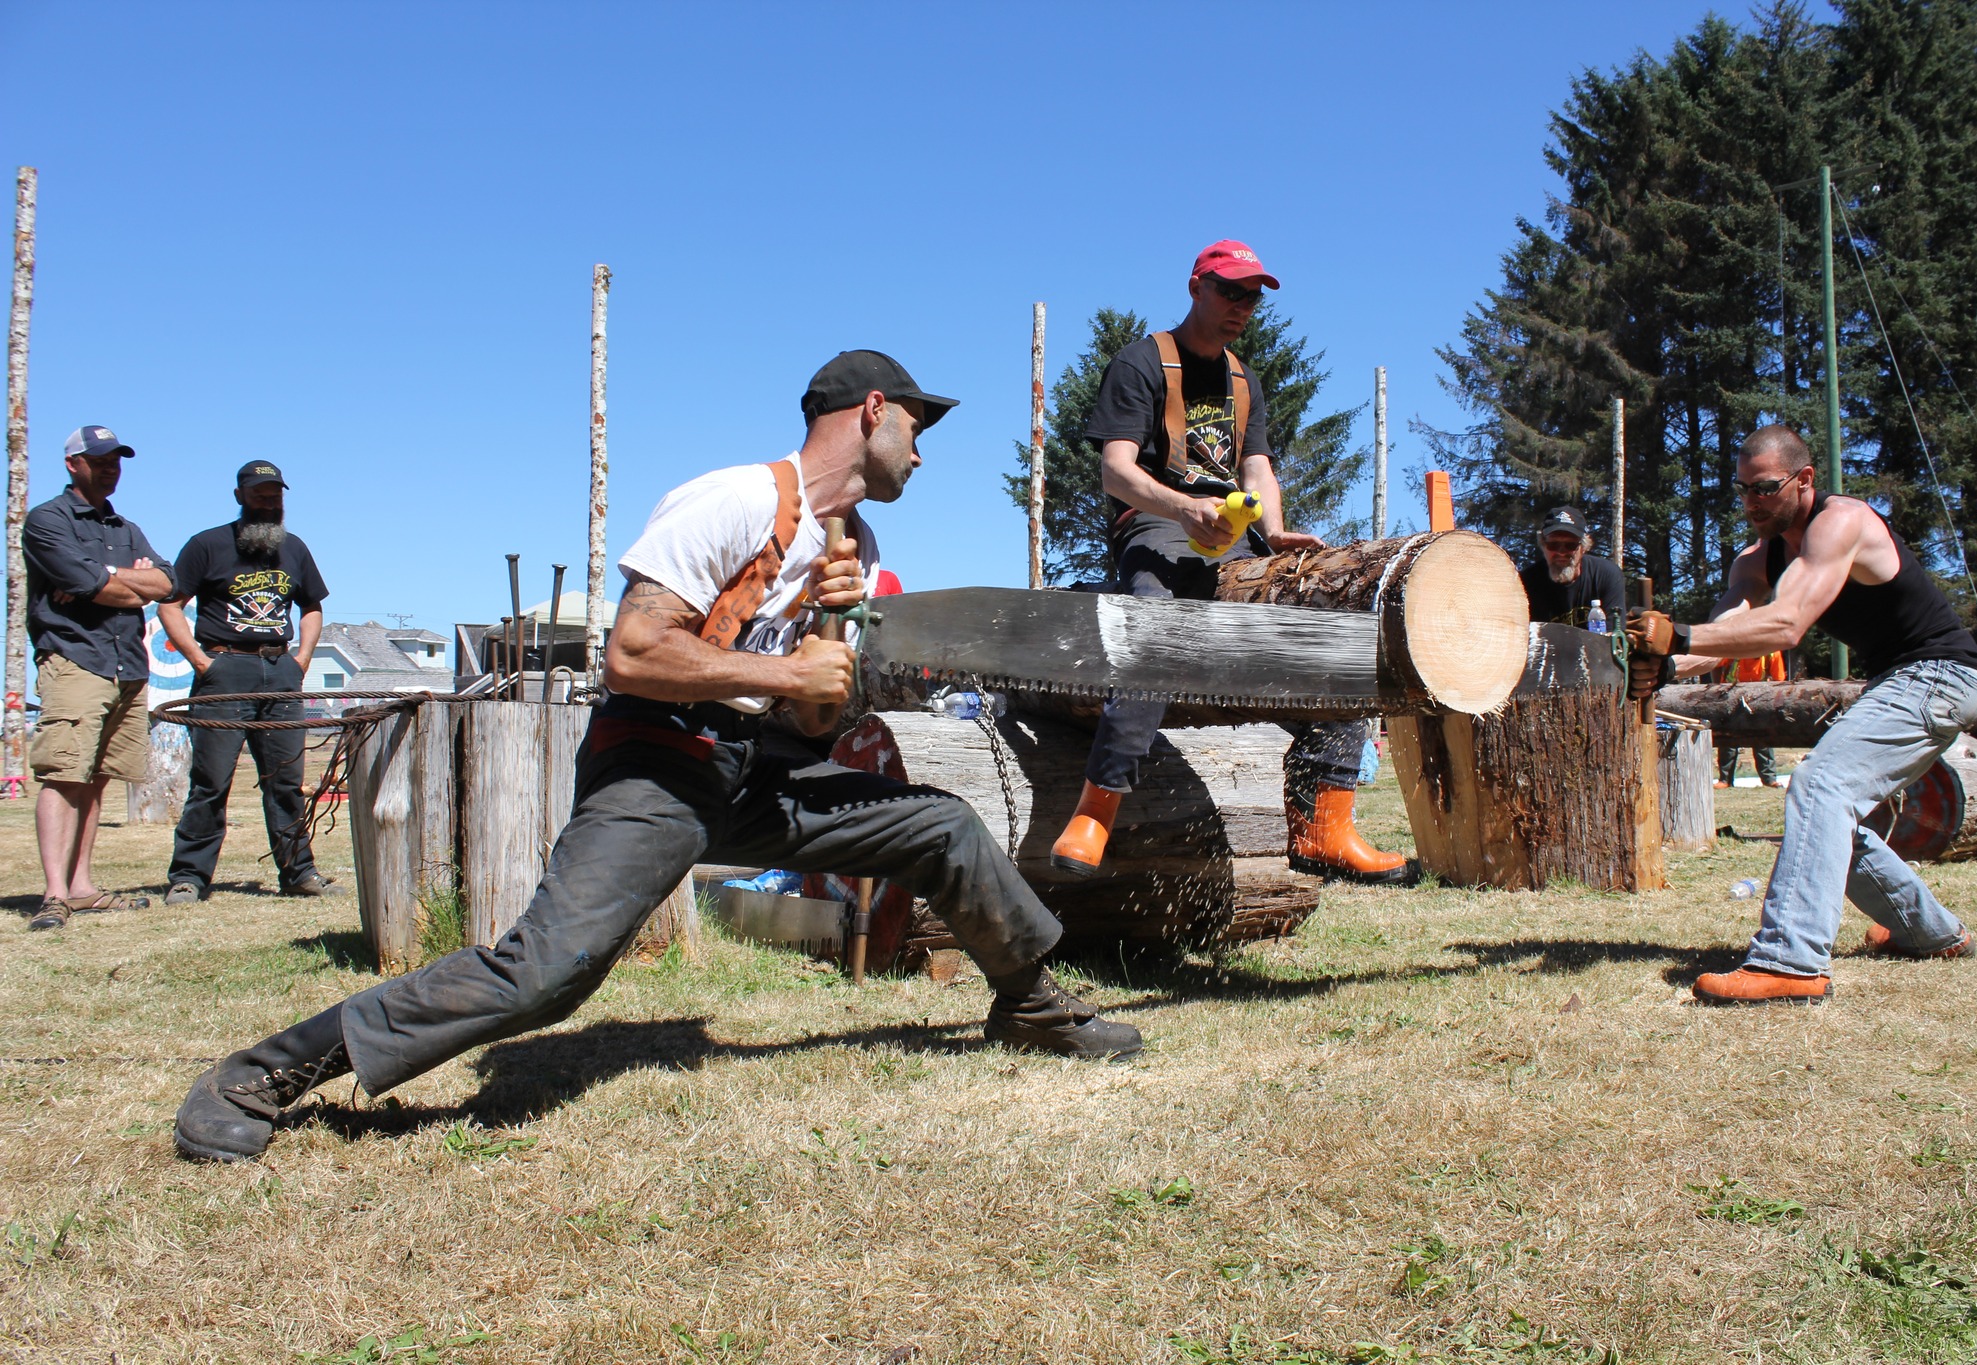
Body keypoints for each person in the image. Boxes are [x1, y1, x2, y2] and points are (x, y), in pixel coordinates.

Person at [173, 350, 1142, 1163]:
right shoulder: (731, 501)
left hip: (753, 764)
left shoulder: (853, 542)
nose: (921, 452)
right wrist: (789, 673)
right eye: (916, 429)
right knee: (546, 972)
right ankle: (260, 1076)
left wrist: (829, 639)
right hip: (655, 761)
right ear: (871, 410)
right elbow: (632, 654)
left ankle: (1031, 1004)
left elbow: (811, 721)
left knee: (940, 825)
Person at [1050, 240, 1410, 884]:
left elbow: (1256, 469)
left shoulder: (1243, 380)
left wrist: (1274, 532)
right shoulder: (1141, 362)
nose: (1242, 305)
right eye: (1230, 291)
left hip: (1235, 537)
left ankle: (1323, 829)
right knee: (1155, 633)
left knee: (1326, 638)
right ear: (1196, 286)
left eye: (1252, 297)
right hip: (1156, 527)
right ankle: (1095, 811)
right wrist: (1183, 507)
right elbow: (1115, 472)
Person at [1626, 425, 1977, 1006]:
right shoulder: (1756, 559)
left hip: (1941, 676)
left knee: (1820, 785)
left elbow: (1788, 622)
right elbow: (1724, 632)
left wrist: (1678, 636)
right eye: (1742, 490)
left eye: (1765, 488)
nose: (1751, 502)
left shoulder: (1843, 521)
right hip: (1898, 681)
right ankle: (1932, 932)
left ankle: (1791, 964)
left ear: (1805, 479)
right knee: (1830, 819)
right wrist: (1662, 664)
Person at [160, 460, 340, 903]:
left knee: (286, 780)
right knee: (211, 781)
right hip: (225, 671)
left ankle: (299, 872)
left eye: (276, 495)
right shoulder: (206, 545)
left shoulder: (294, 549)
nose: (270, 502)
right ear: (239, 496)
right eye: (260, 495)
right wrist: (201, 662)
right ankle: (189, 877)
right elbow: (170, 604)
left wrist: (301, 659)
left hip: (281, 672)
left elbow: (312, 606)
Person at [21, 426, 174, 931]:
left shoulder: (125, 528)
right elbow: (83, 580)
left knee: (98, 777)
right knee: (65, 774)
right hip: (74, 659)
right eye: (100, 460)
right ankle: (54, 895)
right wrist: (124, 581)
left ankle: (82, 887)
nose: (111, 469)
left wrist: (109, 578)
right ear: (73, 464)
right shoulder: (48, 520)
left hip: (126, 663)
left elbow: (167, 583)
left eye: (116, 461)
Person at [1519, 506, 1626, 629]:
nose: (1561, 552)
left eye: (1570, 545)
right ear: (1543, 545)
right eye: (1553, 545)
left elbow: (1615, 635)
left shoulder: (1607, 575)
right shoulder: (1525, 584)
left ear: (1583, 548)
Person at [1714, 650, 1787, 788]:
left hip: (1760, 698)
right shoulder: (1735, 649)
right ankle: (1725, 779)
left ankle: (1769, 780)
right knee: (1728, 739)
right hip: (1732, 696)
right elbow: (1716, 664)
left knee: (1763, 740)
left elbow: (1779, 682)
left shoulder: (1772, 654)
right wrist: (1717, 688)